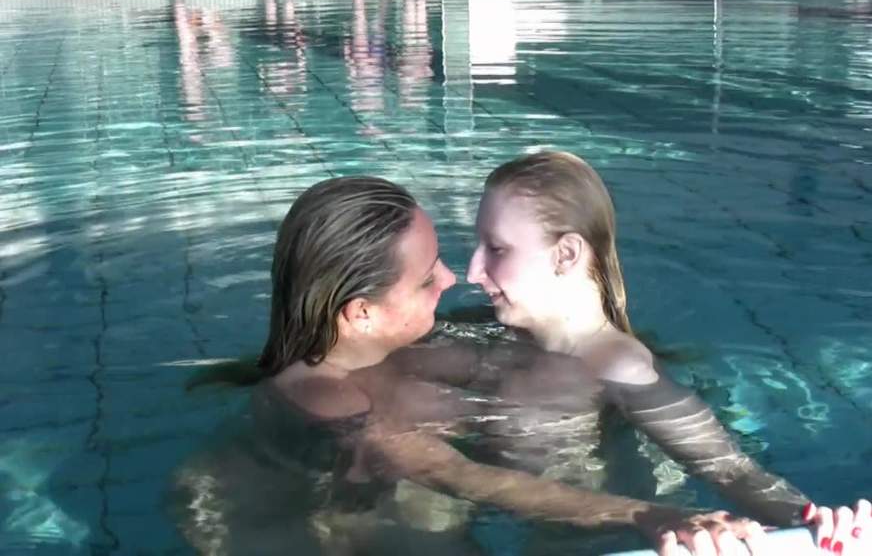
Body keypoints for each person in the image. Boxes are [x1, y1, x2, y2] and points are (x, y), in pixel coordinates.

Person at [171, 176, 766, 556]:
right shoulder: (330, 401)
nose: (453, 277)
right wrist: (648, 513)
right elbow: (465, 478)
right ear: (361, 313)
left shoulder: (372, 353)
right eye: (427, 278)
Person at [433, 150, 869, 555]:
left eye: (496, 249)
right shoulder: (490, 332)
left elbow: (726, 466)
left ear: (565, 254)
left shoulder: (618, 365)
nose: (472, 270)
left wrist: (807, 518)